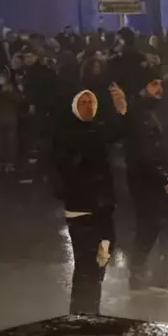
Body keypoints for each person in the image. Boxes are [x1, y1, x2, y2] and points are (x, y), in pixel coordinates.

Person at [52, 84, 128, 313]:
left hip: (102, 208)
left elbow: (113, 133)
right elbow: (62, 168)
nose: (87, 107)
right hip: (81, 208)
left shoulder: (95, 129)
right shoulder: (68, 132)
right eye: (83, 103)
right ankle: (81, 312)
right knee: (86, 264)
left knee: (101, 256)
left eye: (90, 103)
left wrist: (121, 110)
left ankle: (91, 309)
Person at [124, 70, 168, 293]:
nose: (159, 89)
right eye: (153, 84)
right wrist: (163, 177)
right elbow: (145, 151)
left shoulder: (153, 110)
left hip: (155, 177)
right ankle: (138, 274)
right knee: (150, 227)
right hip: (146, 180)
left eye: (160, 84)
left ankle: (157, 273)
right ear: (142, 88)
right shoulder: (139, 113)